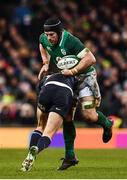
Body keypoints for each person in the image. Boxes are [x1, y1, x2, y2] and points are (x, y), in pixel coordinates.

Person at [38, 17, 113, 170]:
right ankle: (70, 156)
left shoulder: (71, 41)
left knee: (89, 115)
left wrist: (73, 71)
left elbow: (91, 58)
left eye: (52, 34)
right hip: (67, 80)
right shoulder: (44, 38)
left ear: (59, 32)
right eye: (47, 34)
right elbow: (42, 45)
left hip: (85, 78)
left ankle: (107, 123)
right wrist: (46, 63)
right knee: (67, 116)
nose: (49, 38)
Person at [21, 73, 78, 171]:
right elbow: (74, 99)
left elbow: (39, 89)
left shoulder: (47, 75)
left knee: (40, 126)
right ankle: (37, 149)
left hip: (46, 91)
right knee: (48, 133)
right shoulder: (75, 76)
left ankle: (30, 155)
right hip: (63, 92)